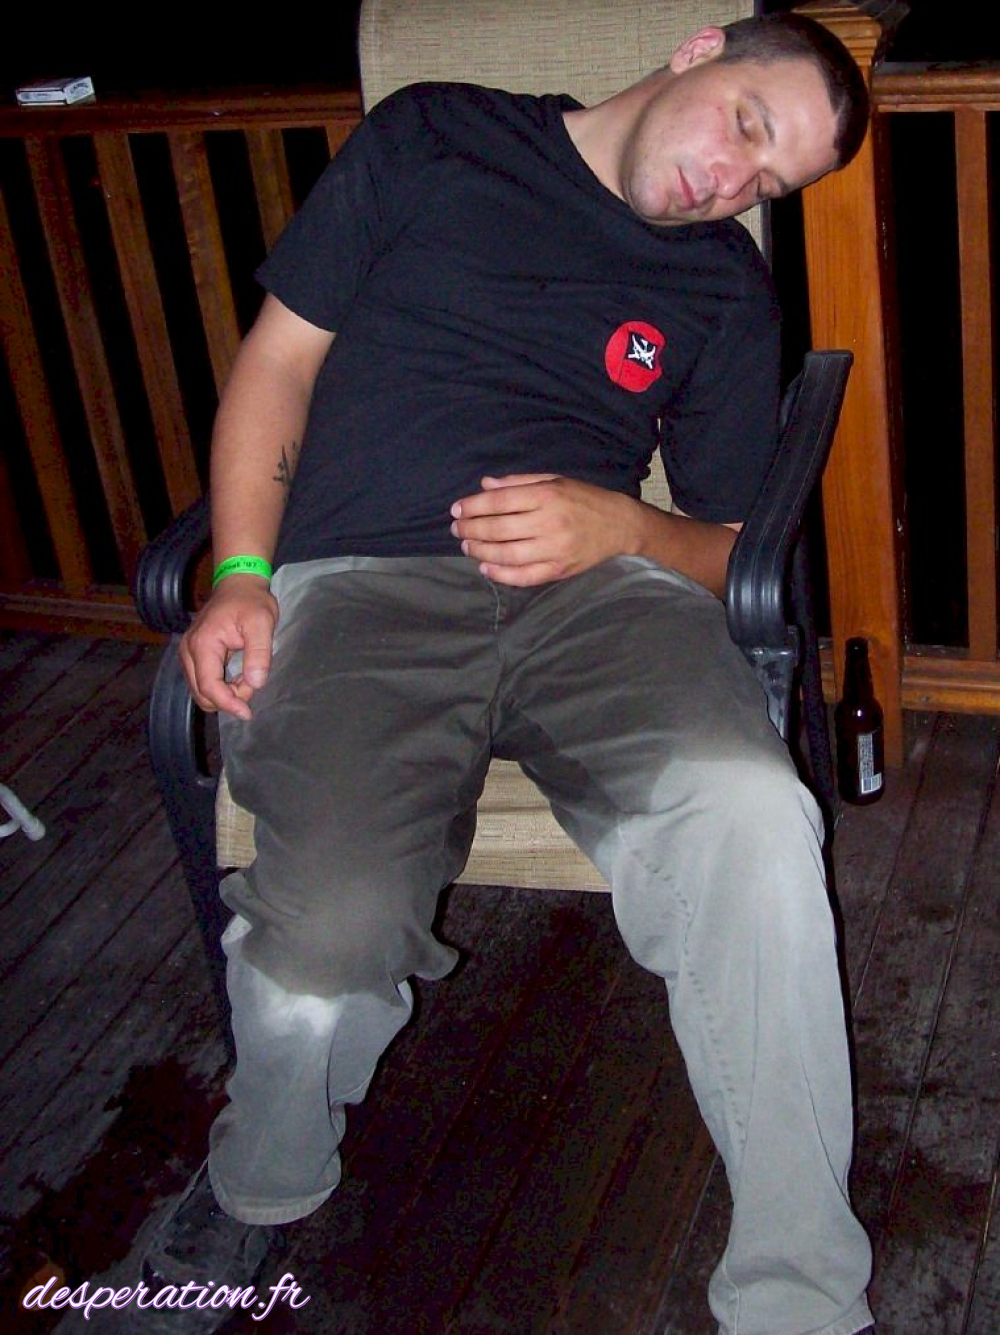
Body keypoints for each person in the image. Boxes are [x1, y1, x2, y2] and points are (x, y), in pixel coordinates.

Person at [142, 12, 874, 1334]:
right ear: (699, 50)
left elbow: (732, 545)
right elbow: (279, 361)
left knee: (755, 821)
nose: (730, 182)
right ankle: (262, 1183)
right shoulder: (436, 135)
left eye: (768, 181)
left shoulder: (722, 290)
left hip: (598, 604)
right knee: (328, 934)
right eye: (748, 125)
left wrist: (625, 527)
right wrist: (241, 573)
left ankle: (803, 1300)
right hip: (361, 590)